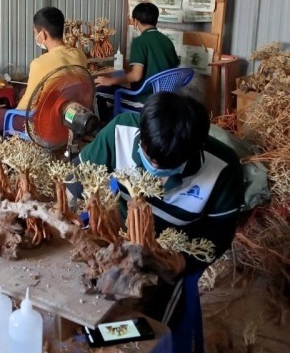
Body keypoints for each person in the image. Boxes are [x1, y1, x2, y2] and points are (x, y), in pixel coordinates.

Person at [75, 92, 244, 327]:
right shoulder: (120, 130)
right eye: (148, 156)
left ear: (194, 150)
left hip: (168, 254)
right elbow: (78, 175)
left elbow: (220, 234)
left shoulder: (223, 168)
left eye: (167, 164)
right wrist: (73, 210)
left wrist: (181, 263)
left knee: (145, 321)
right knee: (80, 294)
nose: (154, 167)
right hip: (117, 240)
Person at [0, 6, 88, 133]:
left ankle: (5, 139)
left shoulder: (40, 64)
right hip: (67, 116)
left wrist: (12, 114)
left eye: (35, 32)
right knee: (23, 91)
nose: (35, 35)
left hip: (39, 123)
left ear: (43, 34)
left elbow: (25, 108)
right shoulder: (79, 55)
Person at [94, 2, 179, 118]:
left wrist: (111, 80)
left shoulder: (140, 42)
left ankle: (101, 130)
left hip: (145, 101)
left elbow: (136, 76)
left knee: (99, 90)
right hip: (167, 100)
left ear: (135, 21)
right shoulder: (167, 41)